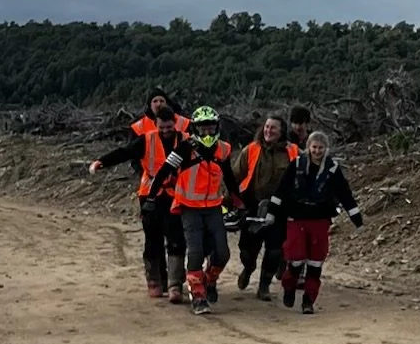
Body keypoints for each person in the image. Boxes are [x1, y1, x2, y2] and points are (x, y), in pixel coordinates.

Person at [146, 106, 246, 315]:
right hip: (189, 208)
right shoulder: (184, 148)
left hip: (214, 207)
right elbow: (164, 171)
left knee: (222, 252)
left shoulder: (224, 149)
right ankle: (198, 294)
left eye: (211, 128)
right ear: (195, 129)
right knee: (195, 251)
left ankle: (209, 279)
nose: (207, 133)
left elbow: (229, 177)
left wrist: (239, 202)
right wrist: (151, 197)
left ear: (217, 128)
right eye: (203, 129)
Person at [89, 104, 187, 299]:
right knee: (153, 238)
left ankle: (175, 284)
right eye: (162, 127)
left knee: (176, 238)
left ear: (175, 125)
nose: (166, 131)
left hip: (175, 194)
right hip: (149, 194)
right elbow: (124, 152)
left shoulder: (185, 141)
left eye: (169, 127)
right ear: (156, 125)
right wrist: (101, 162)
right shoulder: (147, 140)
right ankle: (154, 280)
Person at [263, 130, 363, 314]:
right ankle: (289, 287)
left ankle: (308, 301)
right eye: (314, 147)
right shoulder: (297, 164)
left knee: (316, 262)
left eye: (320, 148)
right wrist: (272, 212)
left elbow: (345, 194)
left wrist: (357, 218)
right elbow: (282, 190)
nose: (317, 151)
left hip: (320, 219)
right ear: (308, 147)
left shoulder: (333, 169)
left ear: (326, 149)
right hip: (296, 217)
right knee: (295, 257)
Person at [231, 114, 299, 300]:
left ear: (282, 131)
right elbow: (234, 177)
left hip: (280, 209)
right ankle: (248, 267)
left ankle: (264, 286)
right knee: (247, 248)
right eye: (267, 127)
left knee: (275, 249)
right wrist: (229, 201)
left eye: (273, 128)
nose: (268, 131)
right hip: (252, 206)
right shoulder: (251, 150)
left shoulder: (293, 152)